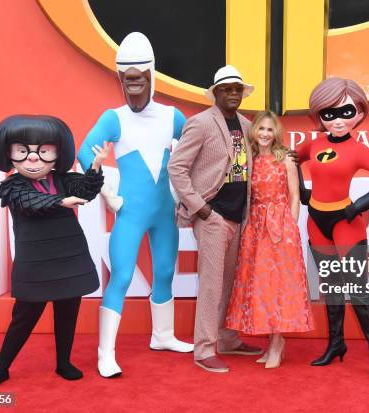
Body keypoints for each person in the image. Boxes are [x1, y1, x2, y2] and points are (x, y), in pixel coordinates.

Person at [78, 32, 193, 378]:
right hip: (129, 211)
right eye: (127, 83)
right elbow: (86, 152)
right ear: (119, 81)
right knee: (123, 276)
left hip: (163, 212)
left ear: (151, 77)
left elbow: (195, 148)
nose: (133, 89)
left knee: (164, 272)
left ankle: (163, 335)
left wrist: (180, 187)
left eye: (139, 81)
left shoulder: (172, 116)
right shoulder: (114, 118)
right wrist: (105, 183)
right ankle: (105, 353)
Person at [0, 115, 107, 388]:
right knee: (23, 319)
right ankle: (2, 368)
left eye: (44, 150)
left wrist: (95, 168)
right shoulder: (13, 187)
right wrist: (63, 201)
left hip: (70, 256)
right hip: (36, 265)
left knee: (68, 312)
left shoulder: (63, 179)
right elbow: (33, 202)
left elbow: (87, 190)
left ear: (57, 152)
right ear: (9, 153)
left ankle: (64, 362)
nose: (34, 158)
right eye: (23, 151)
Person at [297, 77, 369, 382]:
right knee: (331, 290)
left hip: (346, 225)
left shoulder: (358, 150)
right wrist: (302, 192)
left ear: (358, 113)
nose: (337, 120)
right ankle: (336, 344)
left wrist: (357, 208)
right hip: (317, 222)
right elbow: (290, 159)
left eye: (345, 112)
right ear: (319, 116)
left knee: (358, 292)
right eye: (328, 114)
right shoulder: (314, 145)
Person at [168, 65, 264, 373]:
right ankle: (204, 349)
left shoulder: (248, 125)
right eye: (227, 89)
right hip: (212, 216)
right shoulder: (200, 123)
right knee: (211, 285)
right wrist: (201, 208)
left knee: (229, 284)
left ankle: (227, 339)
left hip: (239, 216)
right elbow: (177, 168)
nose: (233, 93)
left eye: (238, 89)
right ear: (216, 93)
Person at [226, 111, 314, 369]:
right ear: (254, 131)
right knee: (262, 285)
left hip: (280, 227)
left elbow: (294, 196)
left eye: (269, 129)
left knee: (279, 285)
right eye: (261, 128)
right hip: (255, 228)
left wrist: (291, 227)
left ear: (276, 133)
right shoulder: (249, 159)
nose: (265, 133)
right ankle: (272, 342)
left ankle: (277, 342)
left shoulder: (285, 159)